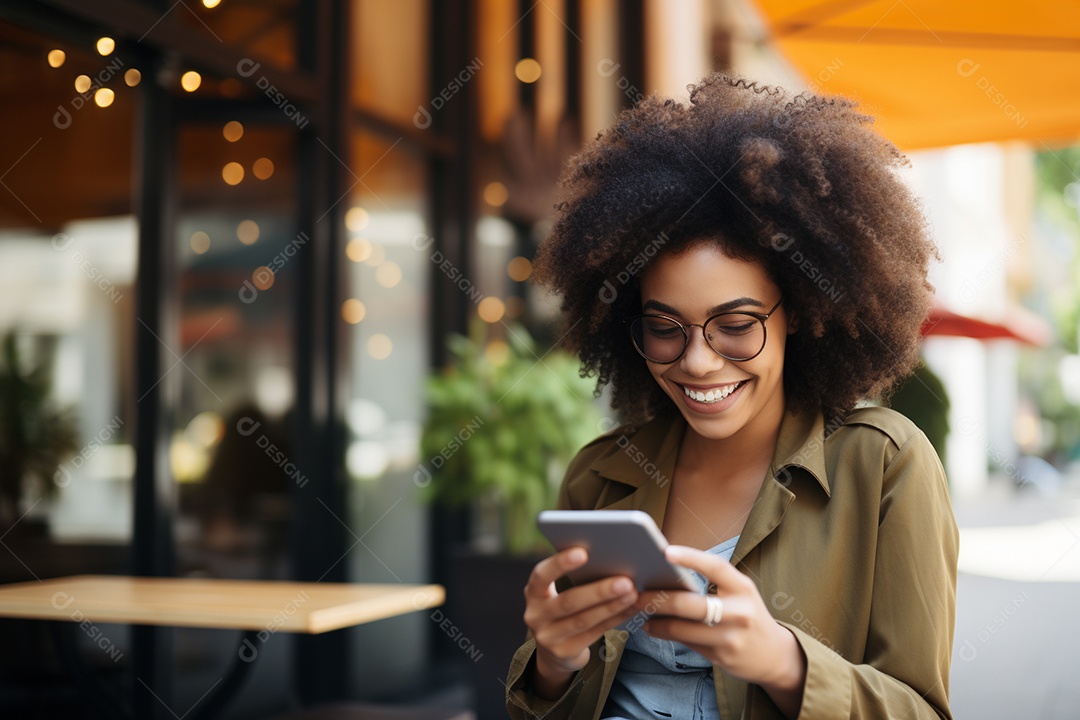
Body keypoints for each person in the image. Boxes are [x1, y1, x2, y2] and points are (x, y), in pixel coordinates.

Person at [505, 74, 958, 719]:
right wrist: (553, 665)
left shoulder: (884, 466)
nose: (696, 360)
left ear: (799, 312)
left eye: (737, 325)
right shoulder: (601, 475)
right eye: (664, 328)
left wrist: (783, 661)